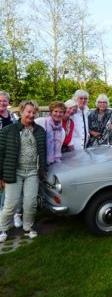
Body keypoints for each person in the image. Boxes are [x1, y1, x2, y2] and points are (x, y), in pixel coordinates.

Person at [0, 100, 47, 243]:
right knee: (11, 204)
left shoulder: (40, 131)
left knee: (30, 203)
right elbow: (0, 153)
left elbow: (42, 152)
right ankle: (3, 228)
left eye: (34, 112)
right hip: (14, 172)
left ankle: (28, 227)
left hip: (32, 172)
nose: (31, 115)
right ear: (21, 112)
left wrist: (42, 170)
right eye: (28, 112)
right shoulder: (9, 130)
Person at [0, 91, 21, 228]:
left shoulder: (13, 116)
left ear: (8, 102)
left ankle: (12, 213)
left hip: (11, 156)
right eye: (0, 101)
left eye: (4, 101)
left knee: (10, 185)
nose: (2, 103)